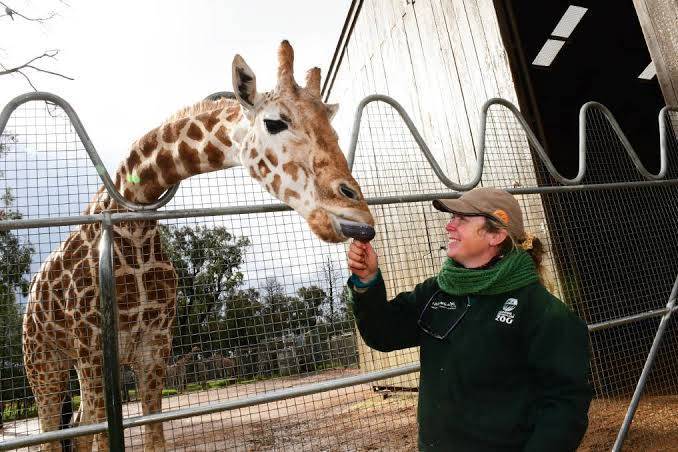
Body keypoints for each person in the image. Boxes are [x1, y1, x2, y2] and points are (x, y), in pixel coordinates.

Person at [346, 187, 592, 452]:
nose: (449, 226)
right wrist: (367, 281)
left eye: (461, 219)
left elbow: (565, 406)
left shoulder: (542, 312)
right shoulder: (436, 291)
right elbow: (383, 334)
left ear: (496, 234)